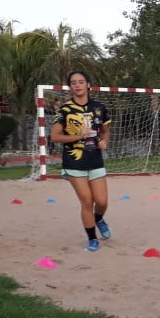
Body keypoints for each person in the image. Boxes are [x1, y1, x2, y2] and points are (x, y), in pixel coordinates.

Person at [49, 73, 112, 251]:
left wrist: (104, 141)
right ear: (70, 87)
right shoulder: (65, 110)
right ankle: (92, 239)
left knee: (102, 202)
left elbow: (105, 130)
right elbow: (54, 137)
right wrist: (79, 136)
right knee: (87, 201)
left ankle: (98, 218)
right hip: (74, 161)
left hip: (95, 160)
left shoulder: (99, 108)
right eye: (73, 83)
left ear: (88, 84)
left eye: (81, 82)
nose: (77, 85)